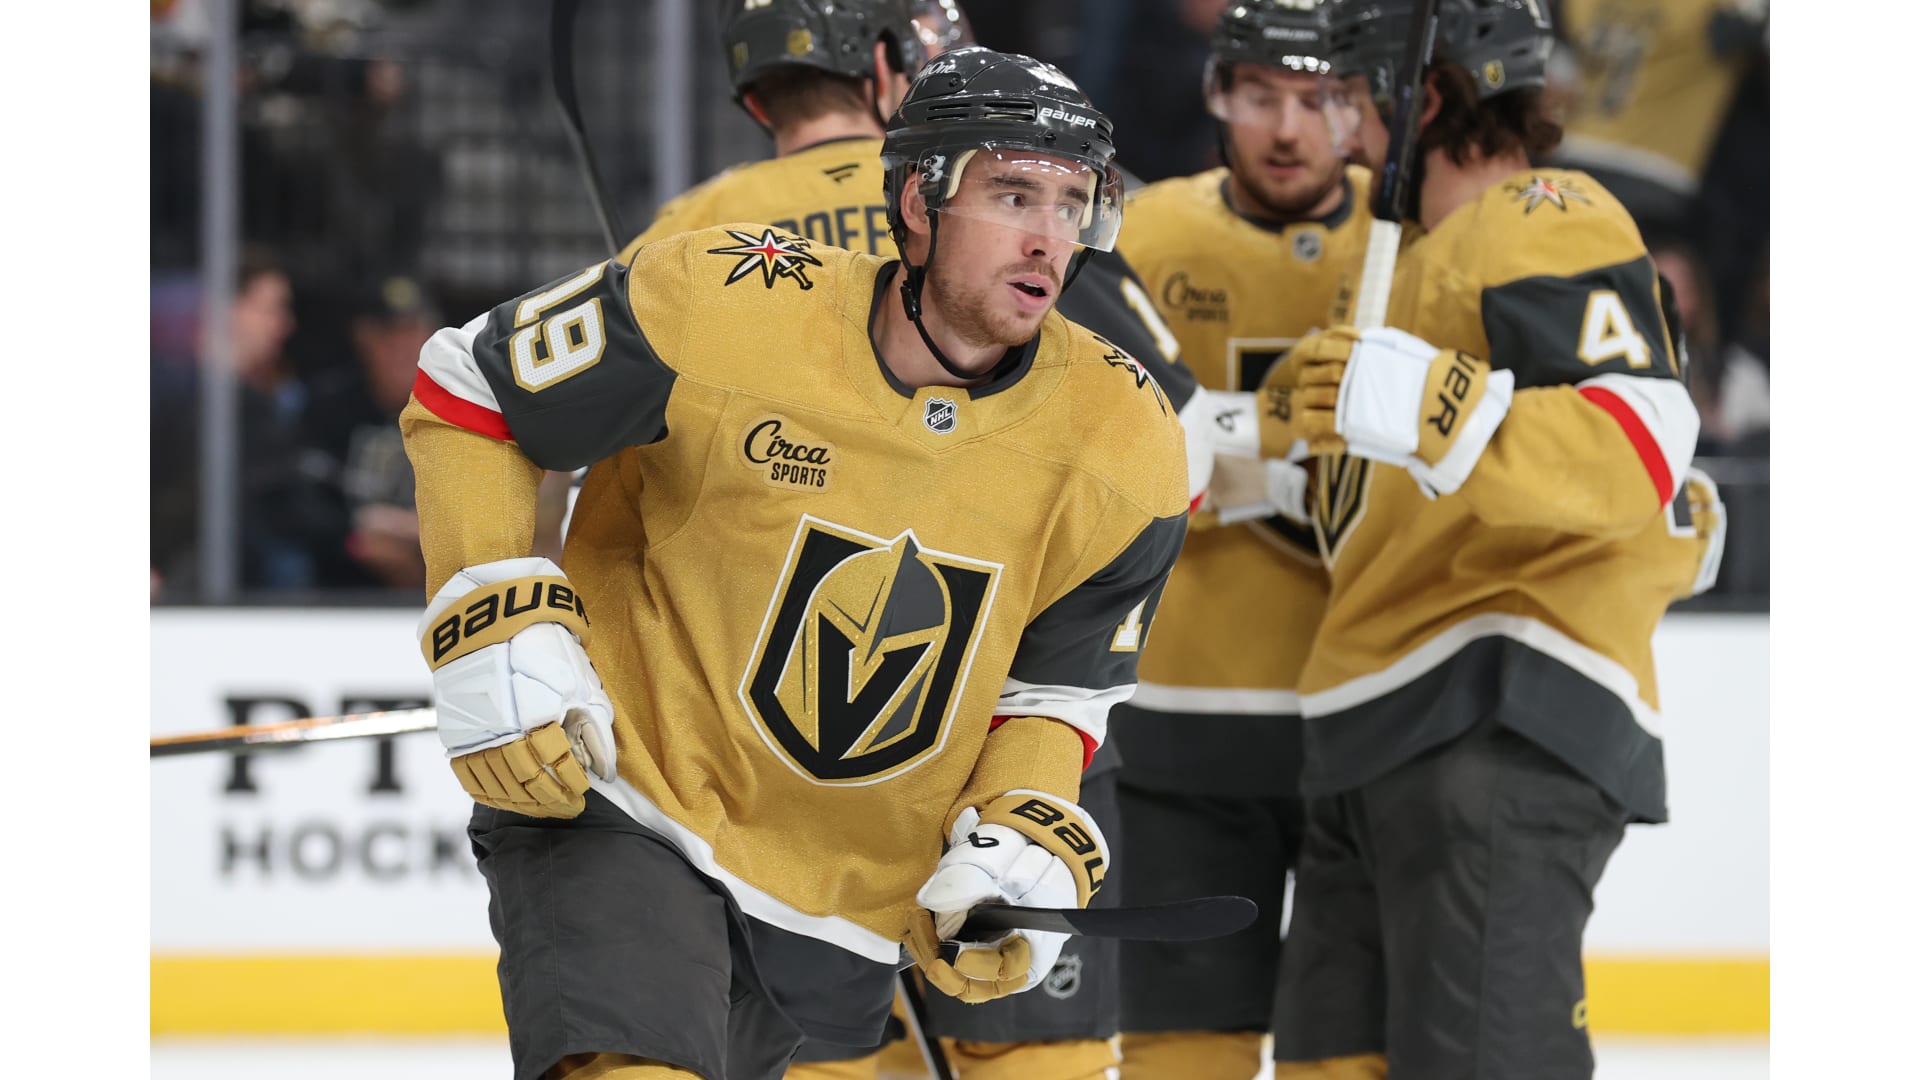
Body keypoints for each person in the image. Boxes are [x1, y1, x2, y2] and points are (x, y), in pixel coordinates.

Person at [400, 46, 1189, 1080]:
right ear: (919, 201)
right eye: (1013, 195)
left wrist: (1016, 827)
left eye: (1073, 204)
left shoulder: (1126, 437)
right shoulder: (728, 297)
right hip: (625, 800)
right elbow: (473, 386)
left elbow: (1055, 691)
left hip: (840, 904)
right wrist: (489, 606)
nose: (1050, 238)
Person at [615, 11, 1205, 1076]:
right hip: (1009, 722)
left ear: (757, 92)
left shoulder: (700, 232)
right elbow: (1180, 448)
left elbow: (601, 470)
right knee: (1034, 1057)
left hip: (775, 757)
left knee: (821, 1054)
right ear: (890, 69)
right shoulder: (1032, 204)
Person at [1237, 1, 1704, 1076]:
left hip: (1497, 711)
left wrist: (1424, 403)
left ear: (1429, 95)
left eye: (1349, 102)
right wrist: (1256, 451)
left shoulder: (1545, 211)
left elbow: (1633, 442)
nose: (1339, 136)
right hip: (1372, 732)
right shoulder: (1403, 266)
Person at [1101, 3, 1371, 1077]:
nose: (1289, 128)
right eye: (1262, 96)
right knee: (1181, 1050)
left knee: (1353, 1055)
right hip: (1182, 728)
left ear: (1359, 105)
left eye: (1317, 98)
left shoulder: (1419, 244)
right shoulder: (1142, 235)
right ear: (1217, 94)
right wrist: (1265, 459)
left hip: (1369, 723)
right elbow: (1099, 448)